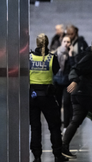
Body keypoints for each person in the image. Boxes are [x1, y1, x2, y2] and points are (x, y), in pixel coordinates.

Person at [29, 33, 68, 162]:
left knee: (35, 127)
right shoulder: (51, 58)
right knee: (54, 126)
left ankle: (37, 156)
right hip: (47, 96)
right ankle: (57, 155)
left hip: (33, 96)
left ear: (36, 43)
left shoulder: (29, 57)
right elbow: (56, 72)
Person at [54, 36, 75, 132]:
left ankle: (66, 125)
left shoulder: (72, 54)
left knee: (67, 103)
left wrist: (70, 55)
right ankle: (57, 124)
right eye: (64, 41)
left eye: (68, 42)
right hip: (57, 81)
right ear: (61, 42)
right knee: (57, 103)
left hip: (67, 81)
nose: (66, 43)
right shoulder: (56, 53)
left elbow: (74, 66)